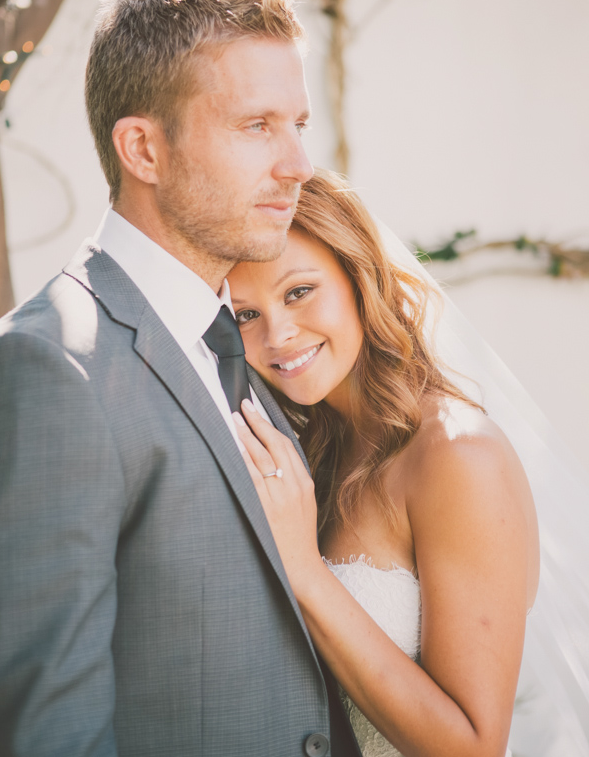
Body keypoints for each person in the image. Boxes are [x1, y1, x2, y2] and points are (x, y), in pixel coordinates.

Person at [0, 0, 362, 757]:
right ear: (143, 149)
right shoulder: (49, 366)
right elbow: (46, 731)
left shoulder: (246, 343)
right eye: (257, 126)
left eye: (298, 122)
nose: (297, 162)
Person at [227, 167, 541, 757]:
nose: (278, 334)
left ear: (358, 276)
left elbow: (474, 748)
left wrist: (304, 572)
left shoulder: (457, 455)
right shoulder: (316, 450)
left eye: (298, 292)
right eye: (245, 315)